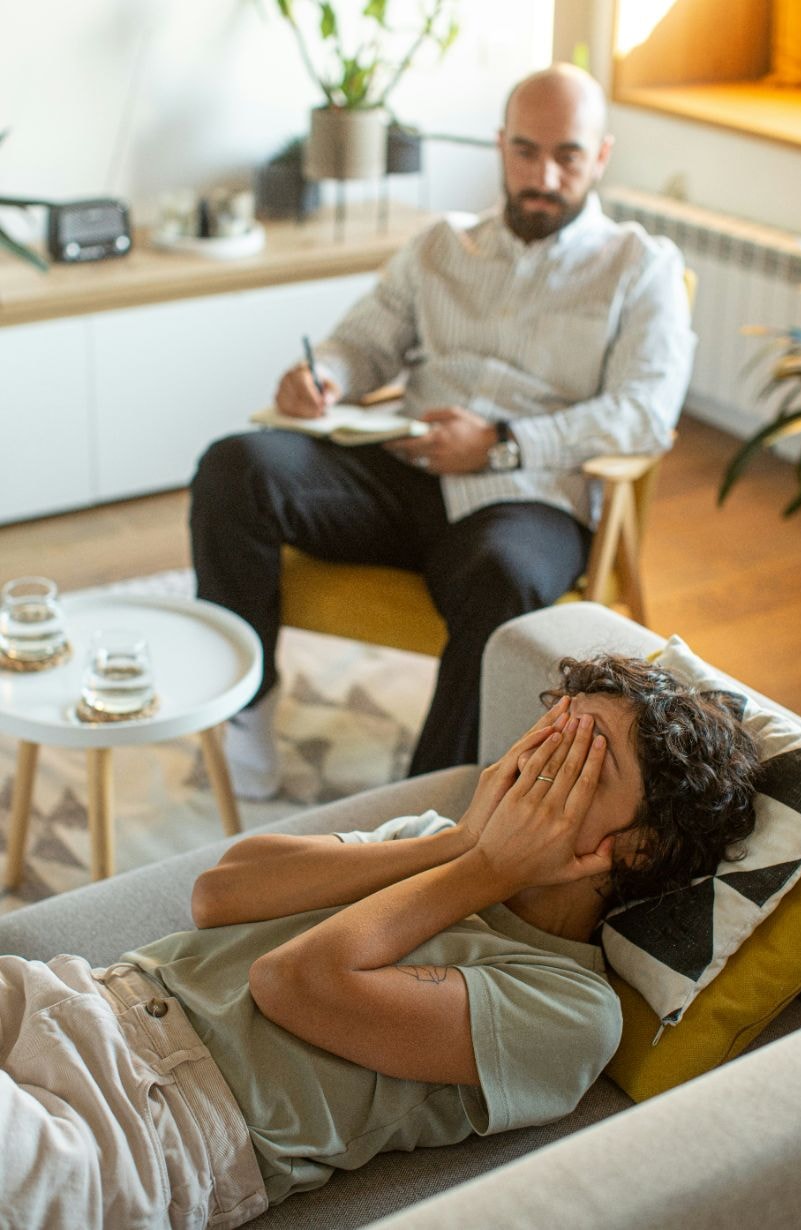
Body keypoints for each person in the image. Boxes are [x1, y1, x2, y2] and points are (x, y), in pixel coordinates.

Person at [1, 655, 760, 1229]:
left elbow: (294, 982)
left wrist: (488, 868)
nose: (536, 760)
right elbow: (221, 894)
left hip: (150, 1128)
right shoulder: (434, 841)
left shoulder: (570, 1013)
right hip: (78, 998)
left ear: (636, 848)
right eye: (551, 730)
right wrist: (460, 842)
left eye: (584, 764)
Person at [189, 62, 695, 798]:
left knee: (502, 578)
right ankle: (249, 709)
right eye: (525, 151)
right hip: (403, 470)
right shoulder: (439, 245)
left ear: (602, 156)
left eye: (568, 155)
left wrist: (500, 439)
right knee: (235, 467)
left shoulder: (640, 266)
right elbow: (362, 343)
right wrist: (326, 375)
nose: (543, 175)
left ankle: (423, 805)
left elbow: (646, 412)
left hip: (526, 496)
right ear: (499, 146)